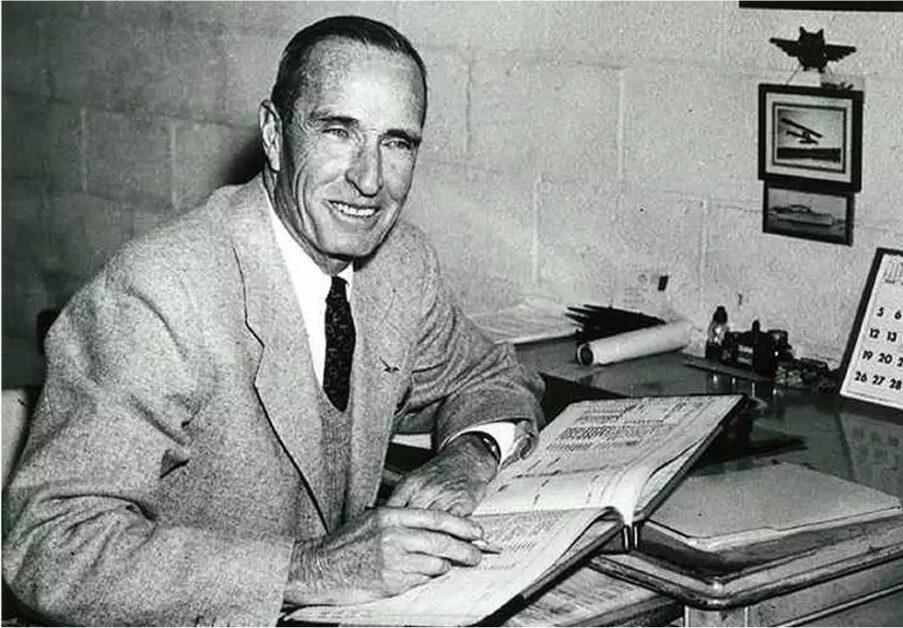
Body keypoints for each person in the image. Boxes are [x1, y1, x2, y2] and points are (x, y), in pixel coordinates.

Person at [2, 15, 543, 626]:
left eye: (397, 143)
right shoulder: (160, 291)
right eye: (338, 131)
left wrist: (468, 455)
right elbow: (51, 545)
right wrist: (311, 569)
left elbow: (493, 376)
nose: (369, 180)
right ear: (274, 135)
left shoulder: (400, 264)